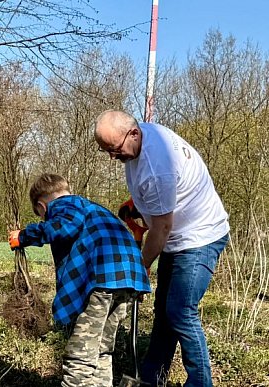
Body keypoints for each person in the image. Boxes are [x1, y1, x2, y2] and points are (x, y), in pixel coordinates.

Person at [94, 110, 230, 387]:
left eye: (114, 149)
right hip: (176, 234)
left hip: (198, 237)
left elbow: (161, 230)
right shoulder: (143, 135)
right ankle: (152, 377)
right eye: (106, 150)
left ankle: (200, 383)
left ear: (133, 133)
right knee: (164, 310)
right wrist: (138, 205)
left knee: (180, 311)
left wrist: (139, 268)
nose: (112, 157)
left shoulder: (158, 169)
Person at [8, 173, 151, 387]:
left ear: (42, 206)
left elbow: (63, 227)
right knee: (102, 349)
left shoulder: (66, 206)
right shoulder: (95, 209)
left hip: (103, 280)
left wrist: (24, 236)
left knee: (80, 355)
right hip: (128, 281)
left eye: (41, 215)